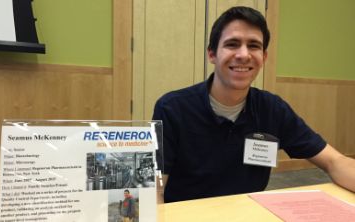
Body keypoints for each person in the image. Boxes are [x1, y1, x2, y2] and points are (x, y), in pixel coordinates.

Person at [152, 6, 355, 203]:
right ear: (212, 54)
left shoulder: (273, 109)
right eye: (232, 44)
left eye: (254, 46)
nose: (243, 54)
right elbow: (152, 190)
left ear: (263, 57)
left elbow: (334, 161)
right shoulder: (171, 109)